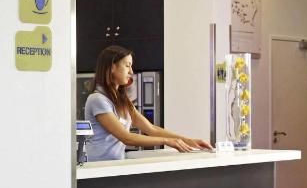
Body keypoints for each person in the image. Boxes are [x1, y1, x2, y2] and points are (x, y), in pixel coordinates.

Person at [84, 45, 213, 161]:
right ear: (112, 67)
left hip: (114, 165)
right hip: (97, 167)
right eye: (127, 65)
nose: (131, 72)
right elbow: (126, 137)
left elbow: (151, 129)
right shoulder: (97, 100)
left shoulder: (122, 100)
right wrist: (167, 141)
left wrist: (188, 141)